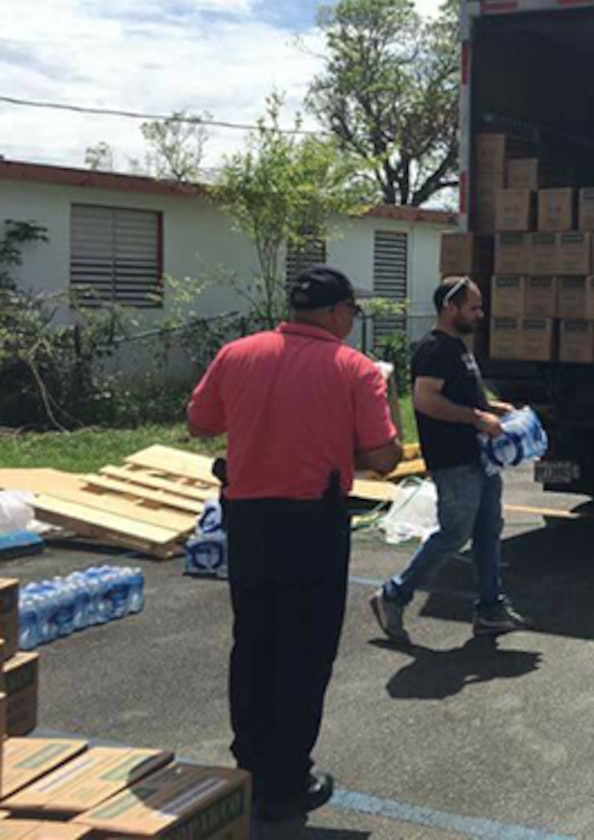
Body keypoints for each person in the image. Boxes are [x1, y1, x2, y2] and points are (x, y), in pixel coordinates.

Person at [187, 266, 402, 823]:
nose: (352, 323)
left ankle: (250, 763)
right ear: (335, 313)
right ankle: (286, 780)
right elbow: (385, 457)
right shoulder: (355, 369)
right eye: (352, 313)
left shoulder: (237, 354)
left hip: (250, 520)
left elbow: (200, 422)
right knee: (305, 650)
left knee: (254, 641)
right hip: (312, 523)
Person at [371, 277, 531, 645]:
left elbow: (461, 394)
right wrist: (477, 419)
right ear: (450, 307)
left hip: (479, 458)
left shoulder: (458, 347)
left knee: (488, 529)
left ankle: (490, 609)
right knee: (454, 532)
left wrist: (491, 407)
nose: (481, 313)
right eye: (473, 307)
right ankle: (393, 595)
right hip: (454, 460)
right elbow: (426, 401)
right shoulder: (434, 349)